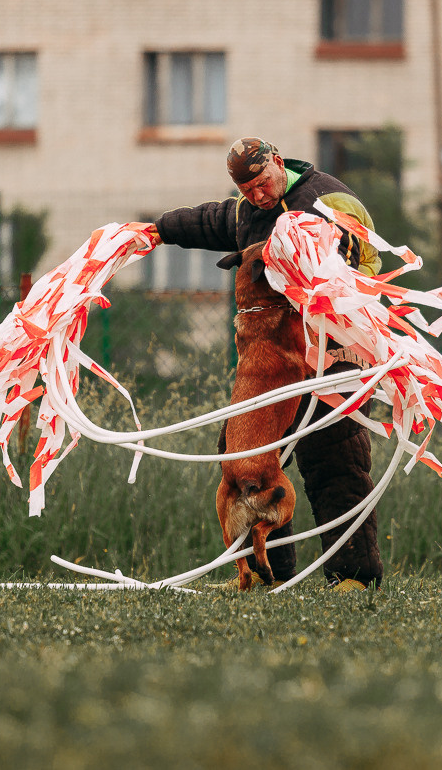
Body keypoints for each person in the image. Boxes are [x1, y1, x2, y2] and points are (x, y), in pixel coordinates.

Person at [143, 137, 383, 591]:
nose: (256, 194)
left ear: (278, 162)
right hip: (278, 358)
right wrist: (155, 231)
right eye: (246, 188)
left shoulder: (328, 199)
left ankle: (353, 576)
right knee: (241, 457)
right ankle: (263, 572)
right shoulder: (246, 210)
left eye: (262, 182)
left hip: (337, 352)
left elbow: (360, 264)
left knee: (335, 456)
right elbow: (210, 219)